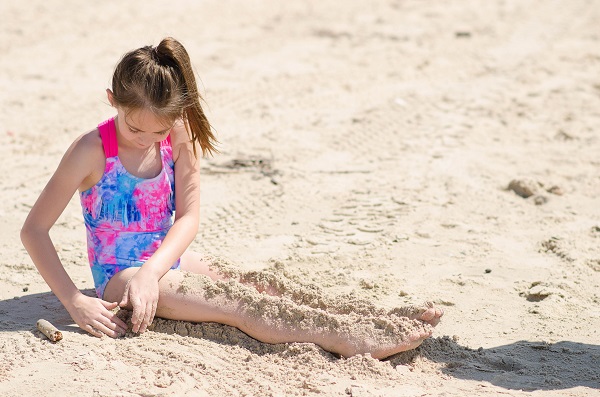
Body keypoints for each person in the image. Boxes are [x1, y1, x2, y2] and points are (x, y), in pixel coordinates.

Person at [20, 37, 442, 359]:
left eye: (159, 131)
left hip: (163, 260)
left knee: (256, 284)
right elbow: (34, 230)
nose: (148, 139)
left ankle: (374, 315)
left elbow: (187, 218)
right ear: (112, 101)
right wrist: (74, 300)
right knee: (235, 303)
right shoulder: (91, 151)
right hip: (120, 275)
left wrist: (154, 271)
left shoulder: (180, 133)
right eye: (135, 130)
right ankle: (349, 338)